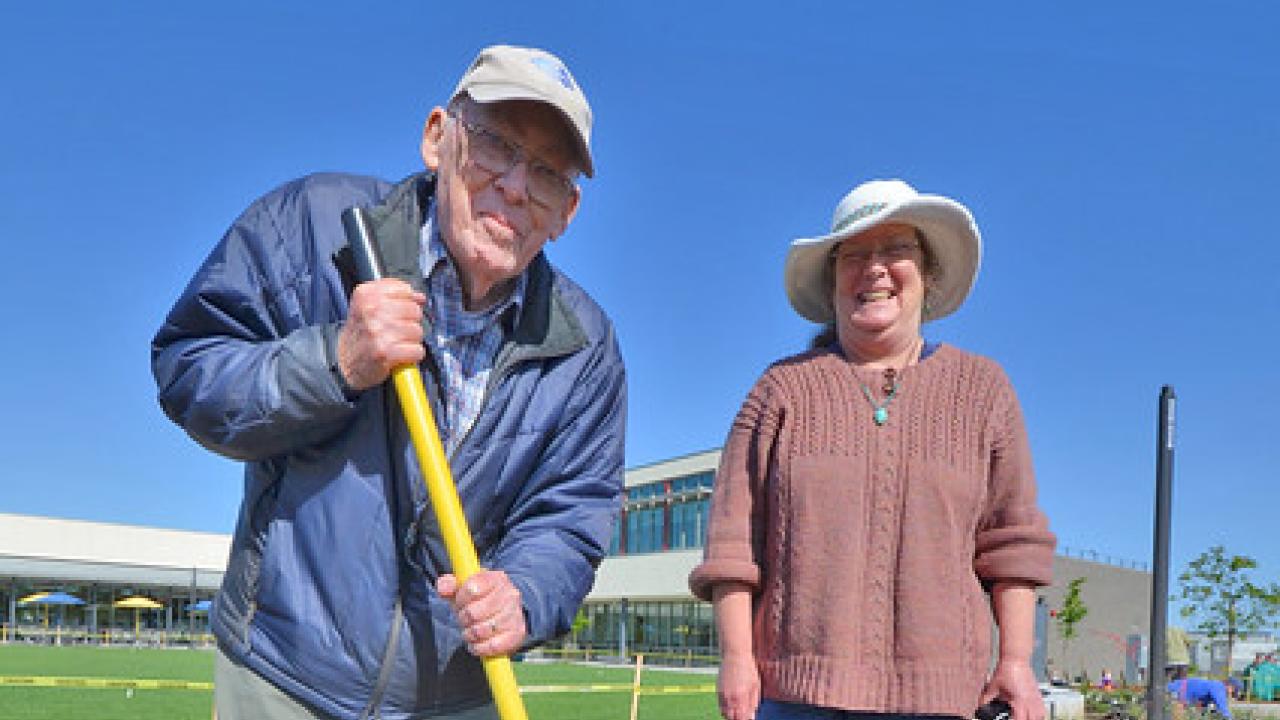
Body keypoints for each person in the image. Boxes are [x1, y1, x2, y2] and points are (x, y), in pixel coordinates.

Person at [152, 45, 625, 720]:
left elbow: (572, 515)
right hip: (281, 679)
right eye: (495, 144)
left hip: (458, 700)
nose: (516, 187)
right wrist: (333, 363)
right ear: (439, 137)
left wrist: (522, 592)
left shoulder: (588, 350)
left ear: (566, 211)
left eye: (547, 173)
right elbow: (189, 366)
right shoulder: (312, 227)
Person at [688, 179, 1056, 720]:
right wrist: (737, 658)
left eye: (896, 249)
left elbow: (1013, 541)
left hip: (943, 703)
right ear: (832, 280)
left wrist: (1017, 662)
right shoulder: (781, 390)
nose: (875, 267)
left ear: (927, 275)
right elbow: (733, 542)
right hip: (796, 700)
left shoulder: (983, 390)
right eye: (854, 254)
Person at [1167, 667, 1232, 718]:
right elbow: (1222, 705)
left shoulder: (1214, 688)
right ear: (1229, 686)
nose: (1231, 693)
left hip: (1181, 691)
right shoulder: (1219, 686)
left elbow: (1206, 706)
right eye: (1233, 690)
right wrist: (1228, 717)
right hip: (1180, 690)